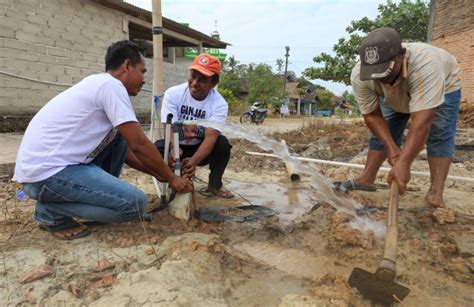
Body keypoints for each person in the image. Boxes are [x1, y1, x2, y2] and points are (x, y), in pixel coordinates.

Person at [13, 40, 192, 240]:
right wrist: (172, 178)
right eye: (142, 72)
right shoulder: (111, 87)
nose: (143, 80)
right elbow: (139, 144)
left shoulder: (99, 84)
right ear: (126, 66)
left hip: (48, 171)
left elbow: (127, 151)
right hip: (47, 175)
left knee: (118, 139)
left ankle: (94, 203)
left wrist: (160, 174)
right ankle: (51, 212)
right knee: (135, 203)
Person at [336, 27, 461, 208]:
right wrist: (392, 149)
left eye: (384, 71)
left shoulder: (426, 64)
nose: (379, 78)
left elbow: (421, 122)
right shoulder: (360, 75)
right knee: (384, 131)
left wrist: (404, 163)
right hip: (394, 92)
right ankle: (367, 178)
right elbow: (372, 115)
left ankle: (435, 193)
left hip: (444, 84)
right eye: (374, 73)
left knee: (440, 133)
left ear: (401, 55)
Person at [155, 53, 234, 198]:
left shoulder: (219, 104)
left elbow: (211, 137)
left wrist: (194, 161)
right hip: (177, 144)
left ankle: (215, 185)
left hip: (201, 146)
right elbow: (169, 126)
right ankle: (170, 180)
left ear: (213, 84)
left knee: (222, 145)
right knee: (157, 148)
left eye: (203, 79)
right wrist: (174, 149)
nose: (195, 83)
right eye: (193, 75)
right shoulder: (173, 94)